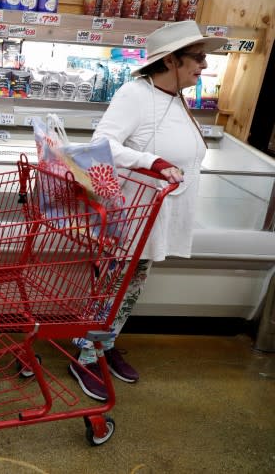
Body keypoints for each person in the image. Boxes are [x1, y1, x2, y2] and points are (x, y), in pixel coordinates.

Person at [68, 20, 228, 401]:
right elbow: (101, 144)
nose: (204, 65)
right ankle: (86, 356)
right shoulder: (135, 95)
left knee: (131, 286)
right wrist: (153, 162)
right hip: (132, 215)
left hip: (159, 213)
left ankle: (104, 345)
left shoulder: (174, 98)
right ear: (171, 60)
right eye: (198, 57)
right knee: (114, 286)